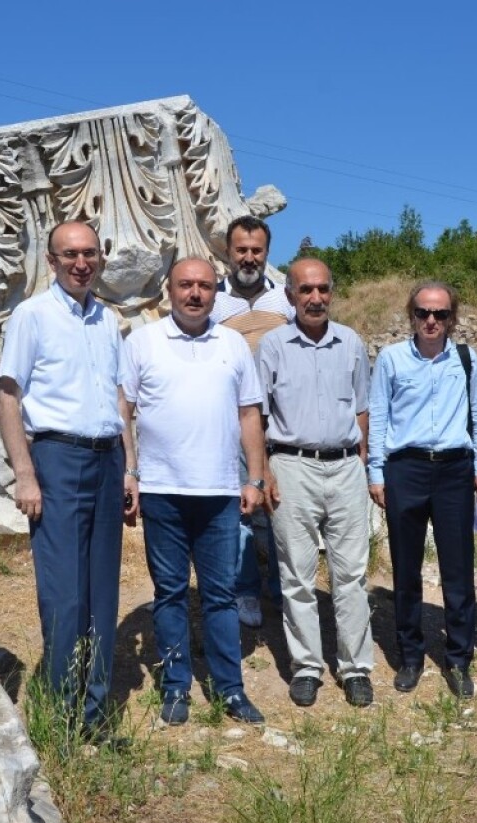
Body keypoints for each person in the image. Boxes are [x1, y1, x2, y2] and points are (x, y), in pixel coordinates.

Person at [0, 221, 134, 744]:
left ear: (100, 258)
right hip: (56, 458)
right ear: (51, 261)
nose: (82, 263)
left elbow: (120, 399)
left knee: (101, 595)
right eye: (70, 254)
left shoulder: (107, 319)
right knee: (63, 596)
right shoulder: (31, 316)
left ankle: (95, 717)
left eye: (90, 253)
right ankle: (57, 718)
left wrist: (130, 467)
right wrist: (25, 475)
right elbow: (8, 397)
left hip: (106, 460)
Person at [121, 257, 267, 726]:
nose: (195, 294)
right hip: (163, 490)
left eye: (204, 285)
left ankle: (230, 689)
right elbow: (122, 409)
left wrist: (256, 478)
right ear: (169, 290)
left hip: (220, 491)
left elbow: (250, 414)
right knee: (170, 593)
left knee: (221, 594)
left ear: (214, 292)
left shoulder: (232, 344)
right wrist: (131, 472)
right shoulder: (143, 341)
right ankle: (176, 685)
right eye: (186, 285)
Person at [258, 258, 375, 707]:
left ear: (332, 293)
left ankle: (355, 667)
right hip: (291, 467)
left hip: (345, 467)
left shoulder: (351, 343)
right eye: (305, 290)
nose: (315, 298)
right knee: (297, 575)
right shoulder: (272, 346)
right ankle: (307, 666)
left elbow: (361, 408)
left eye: (323, 289)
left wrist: (361, 459)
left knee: (351, 574)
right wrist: (264, 469)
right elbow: (258, 412)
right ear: (290, 295)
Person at [369, 281, 477, 699]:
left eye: (440, 314)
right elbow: (380, 416)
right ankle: (410, 656)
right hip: (406, 469)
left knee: (457, 571)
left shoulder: (465, 358)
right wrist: (376, 472)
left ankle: (458, 659)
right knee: (405, 570)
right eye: (423, 312)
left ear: (451, 318)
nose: (431, 321)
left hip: (454, 471)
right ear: (412, 315)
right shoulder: (391, 359)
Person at [211, 215, 293, 628]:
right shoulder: (213, 300)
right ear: (228, 251)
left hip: (278, 423)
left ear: (266, 253)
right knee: (240, 510)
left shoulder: (284, 301)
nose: (248, 257)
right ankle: (246, 592)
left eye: (256, 250)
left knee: (279, 507)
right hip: (230, 423)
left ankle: (282, 593)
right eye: (240, 249)